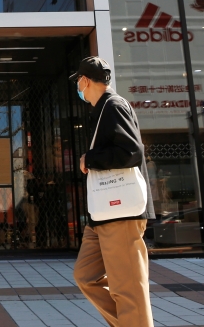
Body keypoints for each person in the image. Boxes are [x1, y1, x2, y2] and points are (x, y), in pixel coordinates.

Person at [72, 56, 155, 327]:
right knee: (86, 276)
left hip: (122, 213)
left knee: (128, 289)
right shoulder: (101, 109)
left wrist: (89, 160)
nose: (79, 89)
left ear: (84, 80)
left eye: (79, 83)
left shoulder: (114, 105)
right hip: (104, 214)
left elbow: (131, 152)